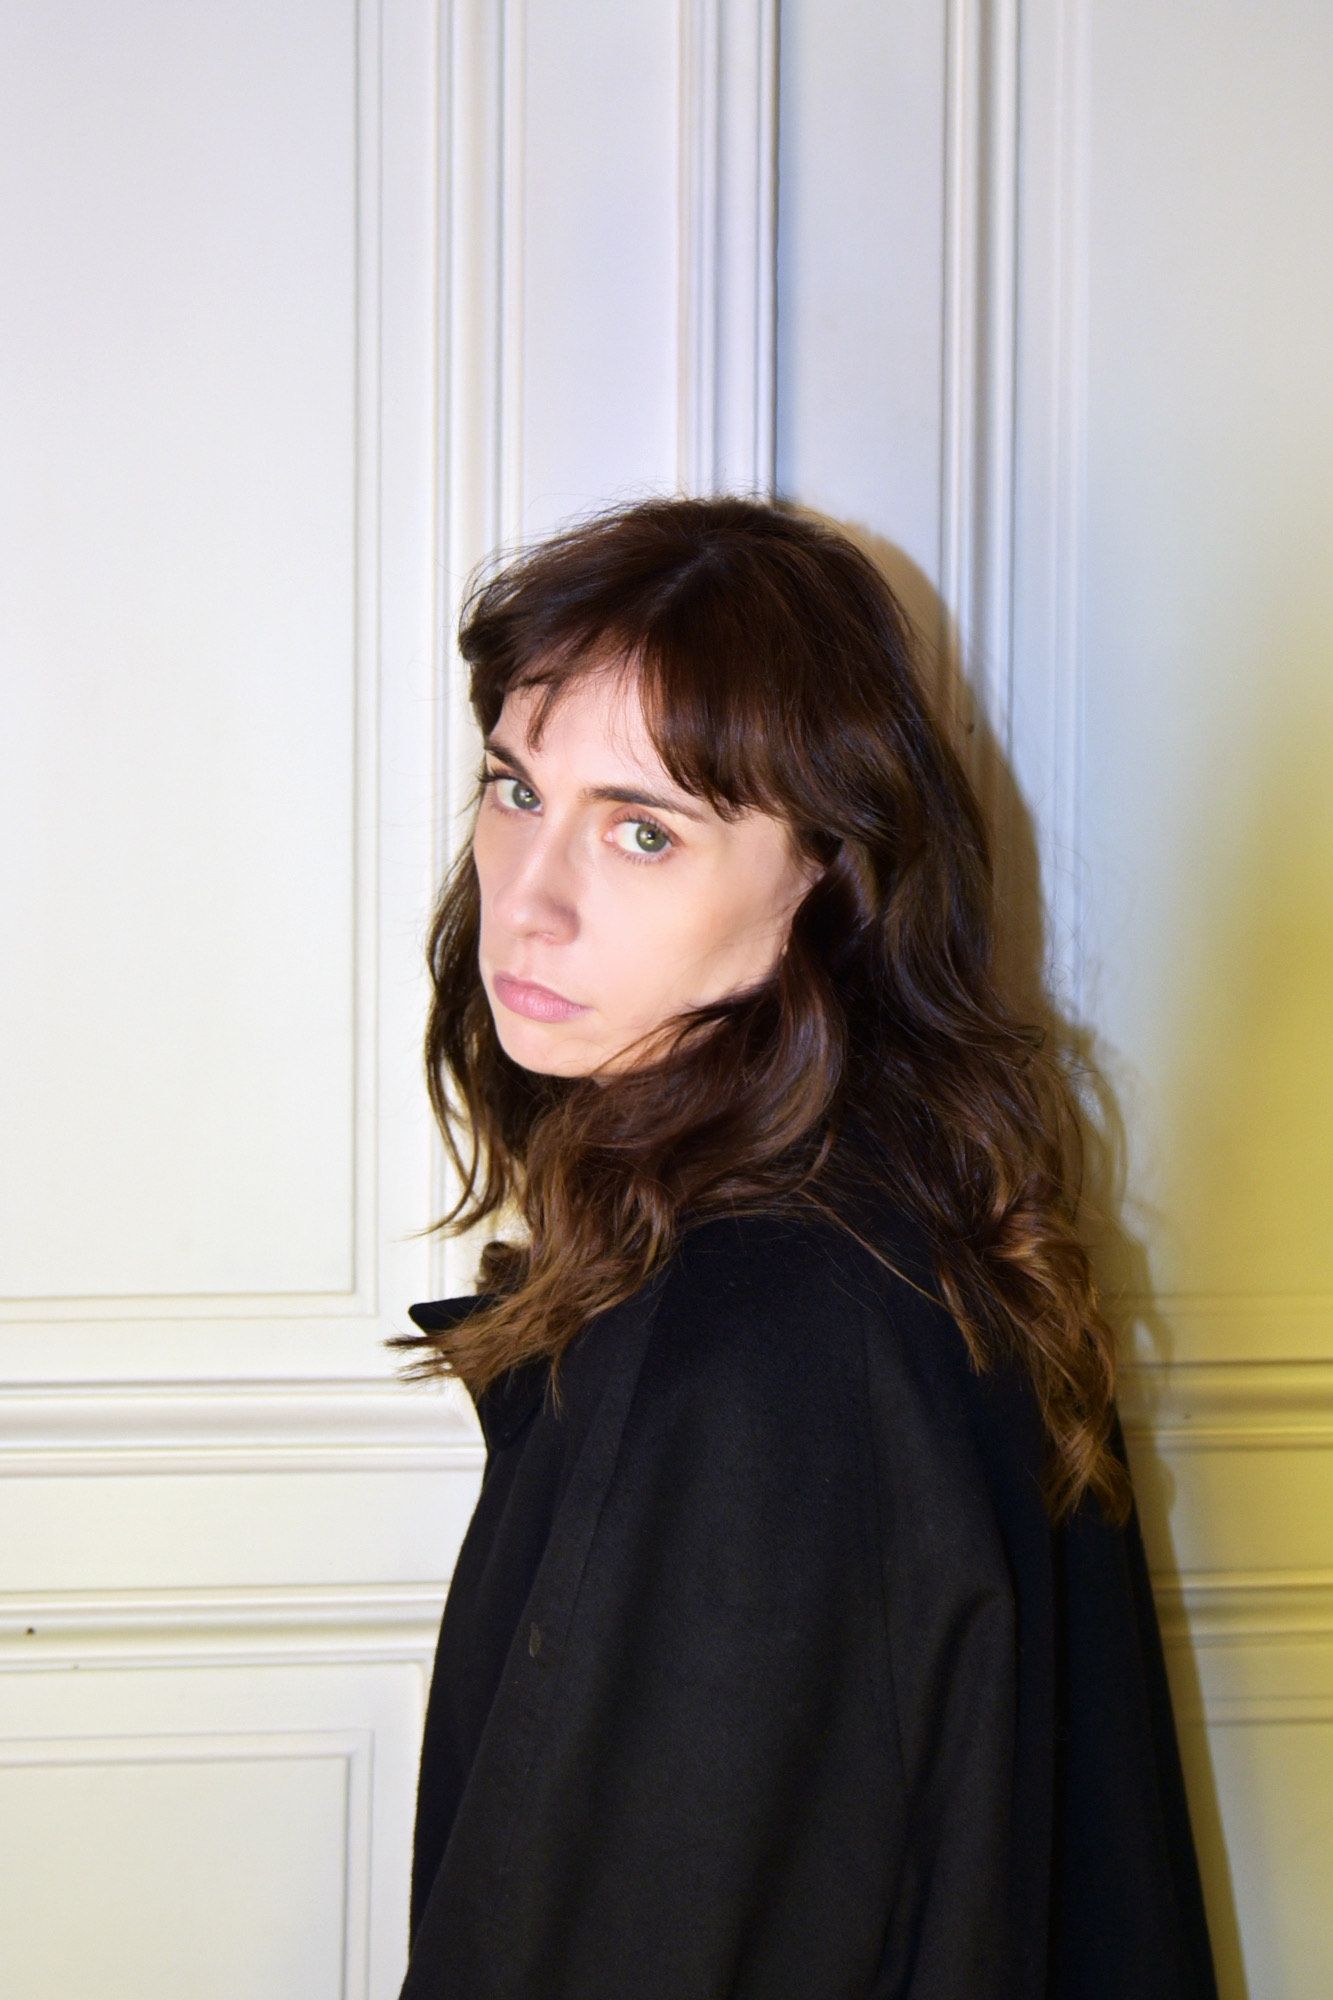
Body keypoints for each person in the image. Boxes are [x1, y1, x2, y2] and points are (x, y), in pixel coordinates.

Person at [387, 493, 1220, 1998]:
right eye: (516, 790)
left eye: (643, 830)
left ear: (829, 874)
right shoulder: (897, 1214)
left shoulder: (752, 1345)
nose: (531, 903)